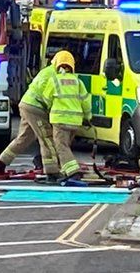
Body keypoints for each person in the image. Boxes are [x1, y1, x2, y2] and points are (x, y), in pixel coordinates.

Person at [0, 54, 65, 179]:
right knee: (46, 137)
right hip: (35, 108)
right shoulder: (55, 75)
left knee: (24, 138)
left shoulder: (47, 71)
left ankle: (1, 162)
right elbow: (48, 98)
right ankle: (51, 171)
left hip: (26, 104)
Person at [48, 51, 92, 182]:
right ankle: (65, 171)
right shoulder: (78, 82)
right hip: (75, 121)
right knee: (66, 146)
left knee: (61, 147)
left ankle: (73, 172)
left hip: (60, 120)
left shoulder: (54, 80)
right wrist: (88, 117)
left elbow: (46, 99)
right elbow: (86, 101)